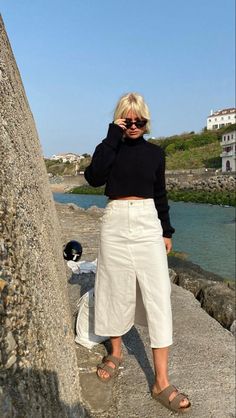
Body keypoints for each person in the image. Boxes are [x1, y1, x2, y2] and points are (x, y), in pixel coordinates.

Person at [84, 93, 191, 413]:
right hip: (115, 221)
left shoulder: (156, 154)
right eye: (126, 120)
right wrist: (111, 137)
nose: (133, 126)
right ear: (119, 120)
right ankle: (115, 351)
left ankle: (161, 380)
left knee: (158, 295)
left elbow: (160, 193)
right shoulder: (110, 148)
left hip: (147, 223)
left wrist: (166, 231)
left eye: (138, 121)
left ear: (146, 122)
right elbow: (93, 178)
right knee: (115, 289)